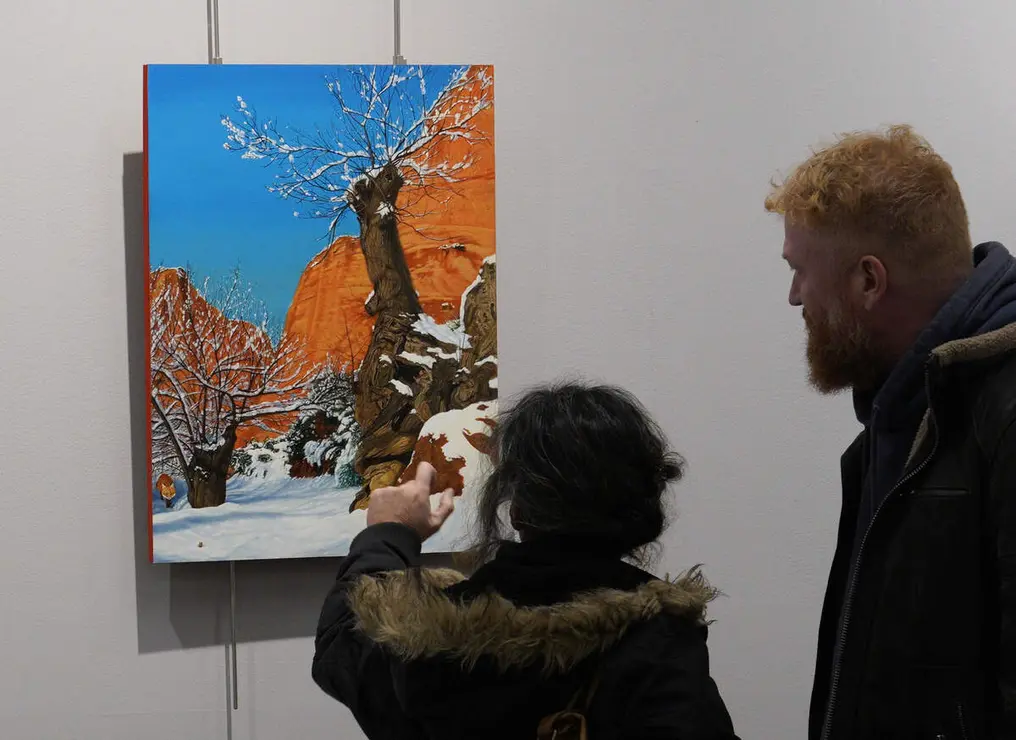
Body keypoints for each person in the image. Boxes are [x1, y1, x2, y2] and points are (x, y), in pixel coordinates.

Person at [764, 124, 1016, 739]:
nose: (794, 297)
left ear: (868, 281)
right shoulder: (901, 418)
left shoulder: (1002, 416)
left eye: (800, 271)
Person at [312, 381, 740, 739]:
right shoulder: (660, 642)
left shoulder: (429, 643)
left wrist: (390, 531)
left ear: (516, 508)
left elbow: (343, 641)